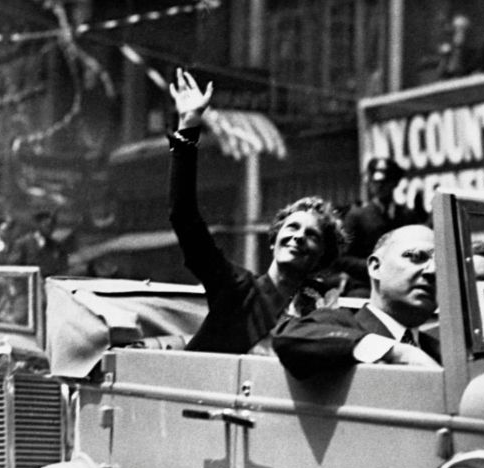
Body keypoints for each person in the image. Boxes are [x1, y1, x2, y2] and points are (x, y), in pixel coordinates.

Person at [168, 67, 346, 354]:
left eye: (312, 235)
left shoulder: (318, 314)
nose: (298, 237)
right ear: (273, 241)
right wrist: (188, 125)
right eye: (292, 228)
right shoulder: (236, 289)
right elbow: (184, 215)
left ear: (321, 258)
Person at [272, 224, 439, 379]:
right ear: (375, 267)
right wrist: (398, 353)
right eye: (416, 256)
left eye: (442, 264)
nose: (433, 271)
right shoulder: (339, 325)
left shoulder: (442, 353)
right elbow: (289, 338)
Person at [339, 157, 426, 296]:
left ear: (395, 183)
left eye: (386, 182)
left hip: (402, 286)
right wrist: (378, 266)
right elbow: (343, 258)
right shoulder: (357, 216)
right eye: (376, 182)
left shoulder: (407, 216)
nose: (379, 186)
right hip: (366, 286)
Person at [17, 210, 69, 278]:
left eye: (52, 226)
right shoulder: (24, 243)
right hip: (28, 284)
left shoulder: (57, 246)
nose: (50, 229)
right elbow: (15, 267)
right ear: (38, 224)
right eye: (47, 225)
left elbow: (62, 268)